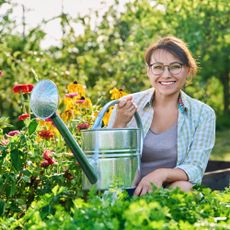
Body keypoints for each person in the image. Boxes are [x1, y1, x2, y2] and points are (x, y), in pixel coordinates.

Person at [108, 36, 216, 196]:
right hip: (126, 189)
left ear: (188, 70)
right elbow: (107, 160)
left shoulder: (203, 114)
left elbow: (195, 167)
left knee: (184, 187)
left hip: (168, 192)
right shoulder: (128, 105)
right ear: (148, 71)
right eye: (158, 67)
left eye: (175, 67)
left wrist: (160, 174)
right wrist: (119, 123)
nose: (166, 75)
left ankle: (157, 215)